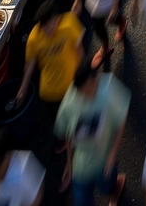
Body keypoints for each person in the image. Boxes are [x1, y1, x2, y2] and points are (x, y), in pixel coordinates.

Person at [15, 0, 84, 182]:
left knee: (74, 124)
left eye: (50, 25)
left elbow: (80, 52)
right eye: (43, 28)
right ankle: (66, 141)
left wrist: (81, 79)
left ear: (57, 18)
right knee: (61, 123)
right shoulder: (34, 38)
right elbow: (30, 63)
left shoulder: (69, 24)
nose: (47, 31)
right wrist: (23, 88)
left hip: (71, 89)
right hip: (49, 94)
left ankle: (72, 160)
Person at [55, 61, 130, 206]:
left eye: (87, 90)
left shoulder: (109, 88)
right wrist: (69, 165)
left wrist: (112, 154)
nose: (85, 96)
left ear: (94, 79)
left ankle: (114, 186)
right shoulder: (69, 102)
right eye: (81, 92)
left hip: (104, 161)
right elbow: (68, 135)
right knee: (81, 201)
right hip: (81, 167)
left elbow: (121, 122)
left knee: (107, 187)